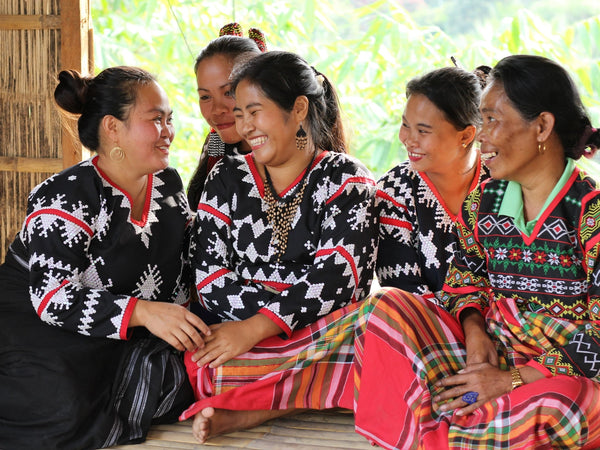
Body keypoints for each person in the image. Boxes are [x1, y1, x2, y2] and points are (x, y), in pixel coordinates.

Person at [353, 55, 600, 449]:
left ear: (542, 126)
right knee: (387, 311)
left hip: (563, 376)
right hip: (496, 356)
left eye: (492, 121)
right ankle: (471, 422)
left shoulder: (592, 215)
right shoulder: (485, 201)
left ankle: (448, 426)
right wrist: (473, 332)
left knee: (562, 404)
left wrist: (511, 380)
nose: (481, 135)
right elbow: (466, 278)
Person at [0, 66, 210, 449]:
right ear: (113, 128)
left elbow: (182, 264)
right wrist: (145, 313)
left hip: (119, 326)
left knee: (188, 365)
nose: (168, 132)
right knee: (65, 403)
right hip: (37, 322)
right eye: (155, 120)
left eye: (170, 120)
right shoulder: (64, 197)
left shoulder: (167, 183)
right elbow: (52, 298)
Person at [181, 50, 378, 443]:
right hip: (255, 338)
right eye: (240, 115)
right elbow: (208, 274)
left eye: (256, 111)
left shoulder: (346, 178)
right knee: (204, 357)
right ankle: (311, 390)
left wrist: (258, 327)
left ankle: (257, 405)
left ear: (299, 108)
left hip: (323, 331)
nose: (246, 126)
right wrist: (249, 331)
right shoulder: (226, 175)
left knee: (379, 322)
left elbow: (338, 278)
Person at [376, 66, 489, 303]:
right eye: (406, 125)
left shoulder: (503, 182)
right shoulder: (394, 190)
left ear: (467, 136)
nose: (407, 139)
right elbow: (403, 289)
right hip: (425, 329)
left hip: (502, 326)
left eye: (423, 131)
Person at [187, 22, 266, 211]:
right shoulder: (215, 150)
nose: (217, 110)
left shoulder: (292, 159)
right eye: (205, 96)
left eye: (229, 92)